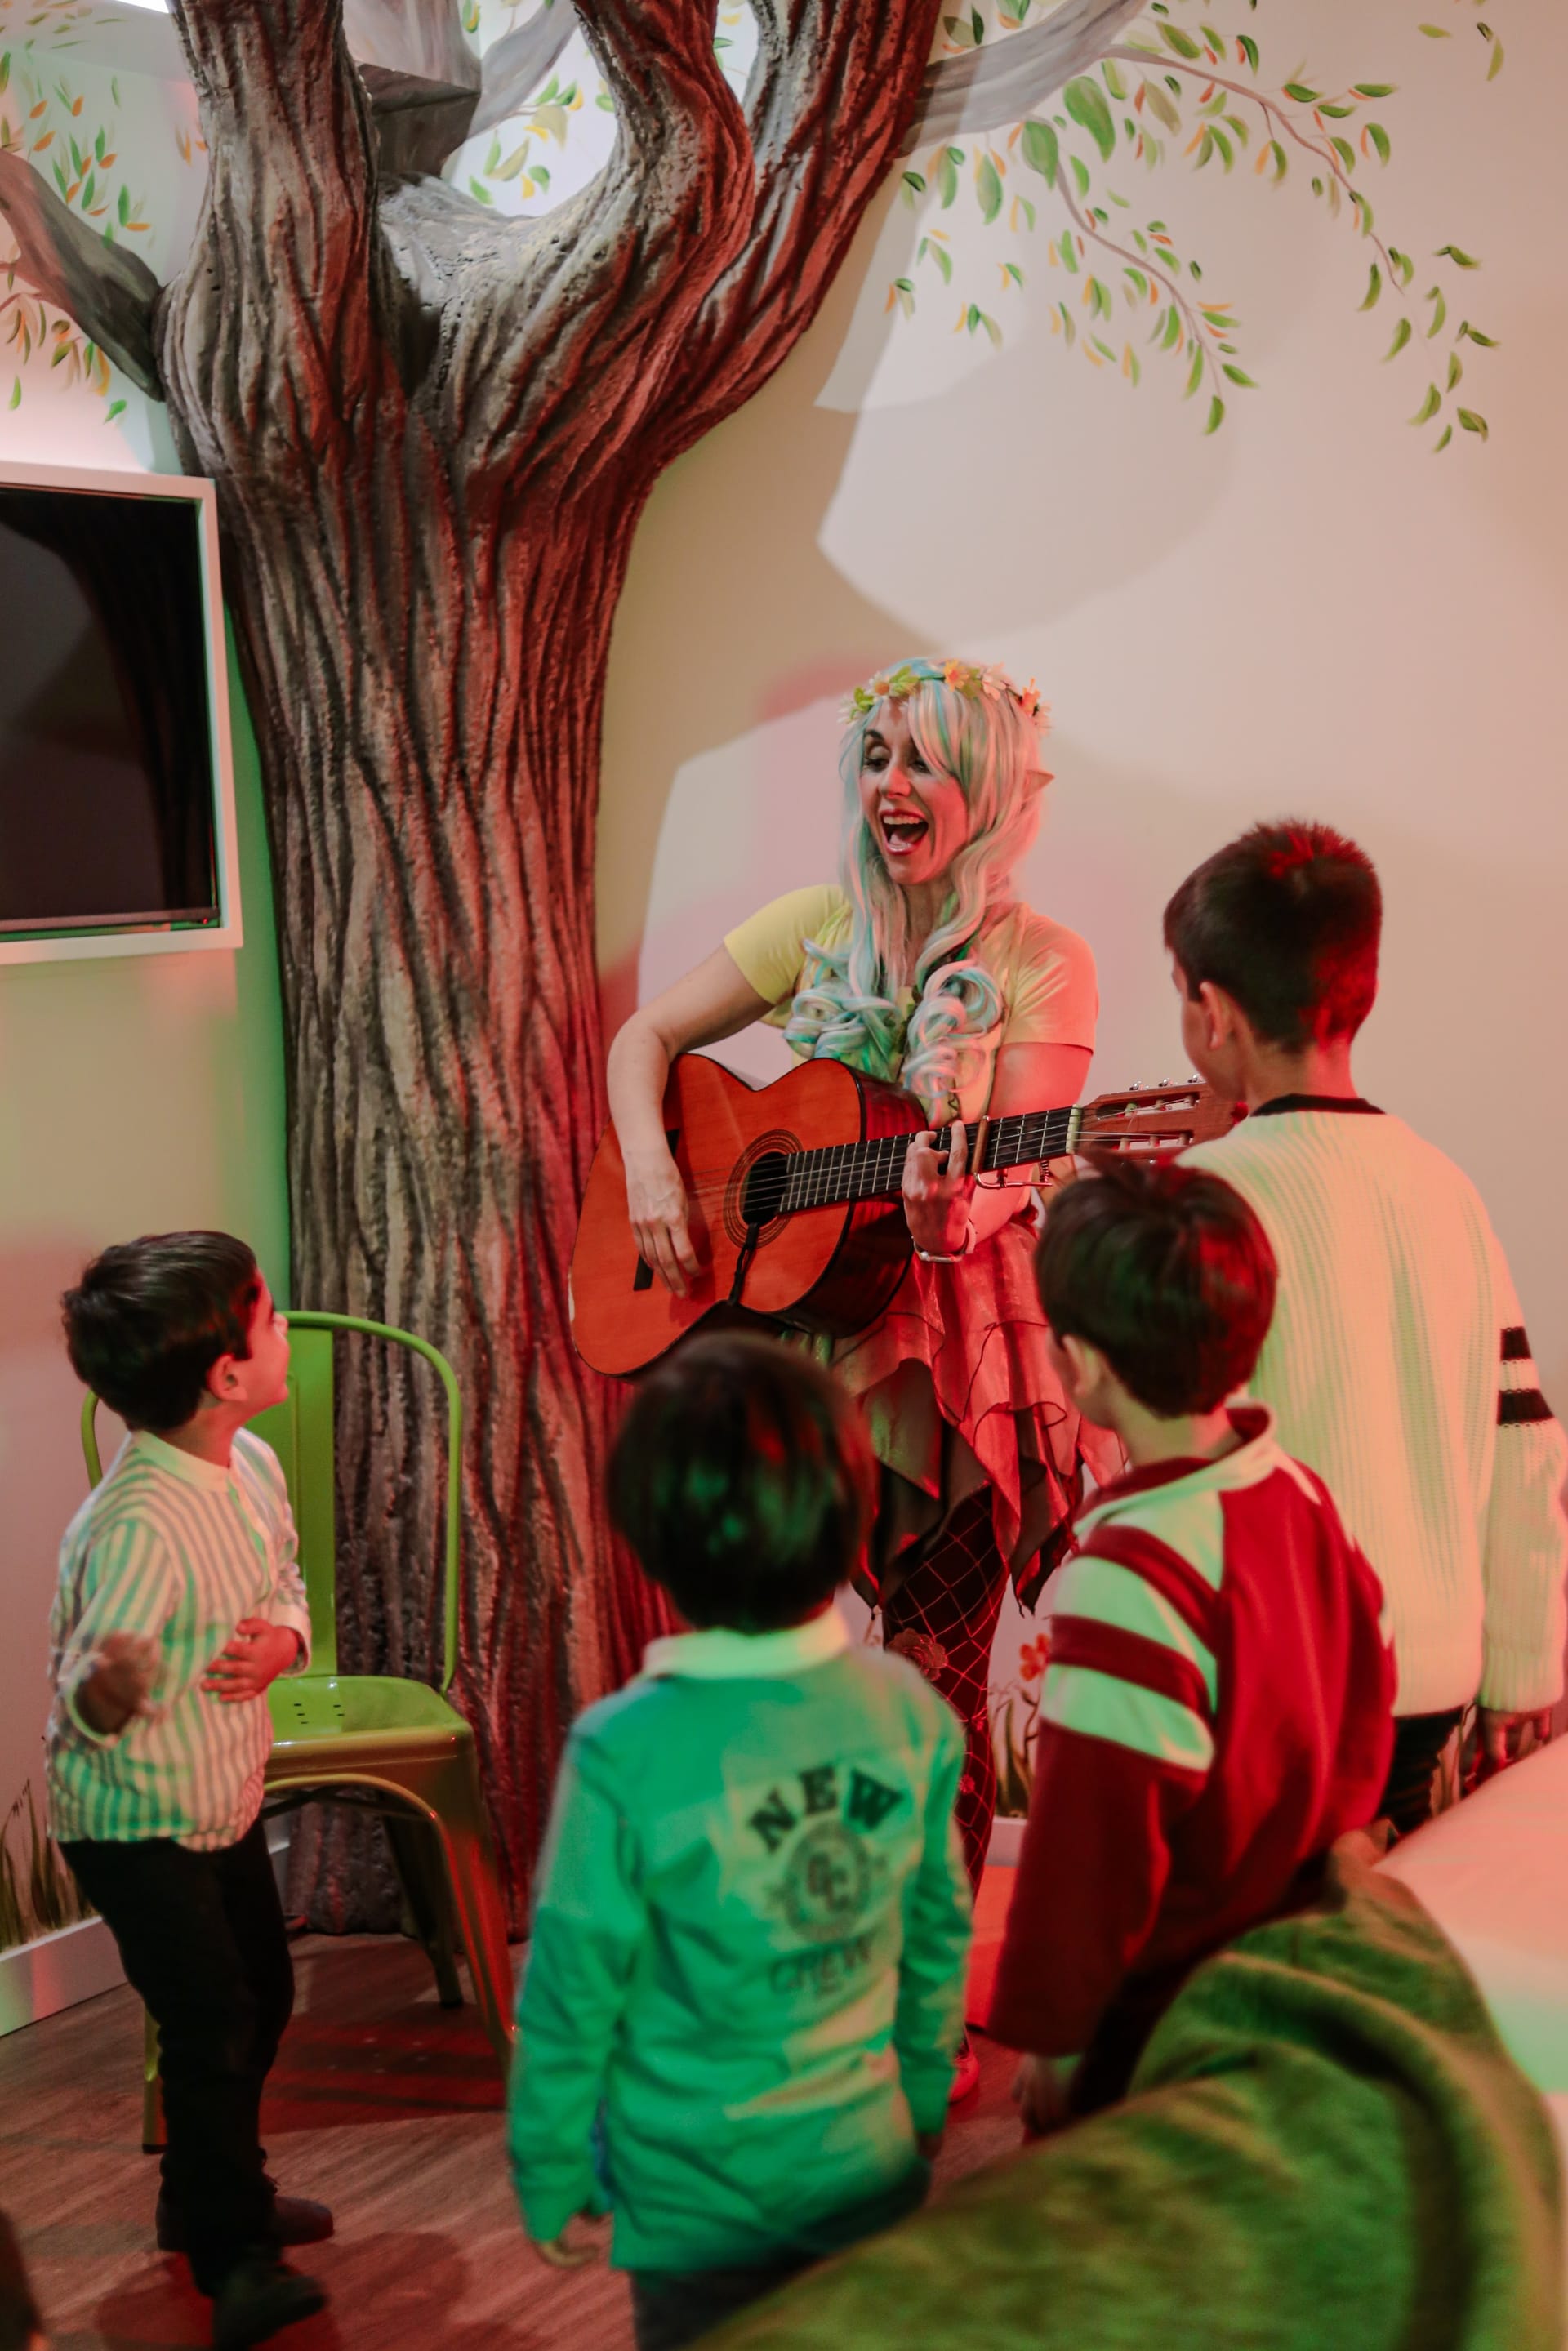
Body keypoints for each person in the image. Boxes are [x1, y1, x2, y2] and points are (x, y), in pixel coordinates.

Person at [606, 658, 1114, 2026]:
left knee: (936, 1681)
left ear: (990, 792)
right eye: (877, 756)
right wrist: (654, 1171)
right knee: (768, 1668)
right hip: (795, 1334)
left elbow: (1005, 1176)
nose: (895, 786)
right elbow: (643, 1036)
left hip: (957, 1357)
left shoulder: (1041, 961)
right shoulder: (811, 925)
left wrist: (949, 1206)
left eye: (928, 761)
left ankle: (922, 2001)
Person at [508, 1334, 973, 2351]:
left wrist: (547, 2160)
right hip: (869, 2167)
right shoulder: (910, 1710)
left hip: (693, 2207)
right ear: (855, 1517)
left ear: (649, 1545)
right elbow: (939, 1932)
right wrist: (928, 2090)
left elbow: (572, 1982)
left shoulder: (621, 1749)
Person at [1169, 822, 1568, 1832]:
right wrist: (1527, 1666)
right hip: (1430, 1677)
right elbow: (1523, 1435)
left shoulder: (1206, 1195)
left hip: (1273, 1681)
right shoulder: (1444, 1186)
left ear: (1212, 1012)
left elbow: (1180, 1458)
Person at [990, 1157, 1396, 2128]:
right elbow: (1368, 1686)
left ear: (1081, 1364)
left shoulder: (1127, 1573)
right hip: (1287, 1954)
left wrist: (1057, 2042)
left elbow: (1095, 1846)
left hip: (1167, 2016)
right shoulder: (1294, 1487)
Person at [48, 1234, 332, 2351]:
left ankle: (214, 2190)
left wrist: (286, 1641)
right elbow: (87, 1689)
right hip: (131, 1820)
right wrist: (109, 1685)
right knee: (210, 2023)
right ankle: (232, 2254)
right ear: (223, 1372)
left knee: (259, 1996)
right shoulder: (137, 1522)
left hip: (217, 1794)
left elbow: (284, 1579)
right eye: (268, 1317)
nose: (284, 1331)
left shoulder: (247, 1465)